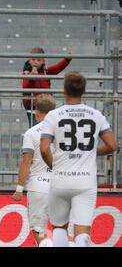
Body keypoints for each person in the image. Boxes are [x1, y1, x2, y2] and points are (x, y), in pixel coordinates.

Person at [40, 71, 118, 247]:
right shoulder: (95, 115)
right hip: (85, 181)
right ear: (83, 90)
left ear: (64, 90)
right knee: (81, 234)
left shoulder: (54, 115)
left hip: (60, 179)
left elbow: (44, 148)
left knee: (59, 227)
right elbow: (113, 145)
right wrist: (92, 151)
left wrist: (54, 165)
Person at [12, 94, 56, 247]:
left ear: (37, 112)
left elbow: (26, 161)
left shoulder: (32, 132)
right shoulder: (63, 132)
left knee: (39, 230)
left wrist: (19, 189)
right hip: (61, 185)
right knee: (61, 228)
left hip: (39, 187)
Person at [22, 47, 72, 127]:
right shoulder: (27, 73)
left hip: (46, 108)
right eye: (33, 59)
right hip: (33, 109)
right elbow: (25, 87)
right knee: (35, 130)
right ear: (29, 60)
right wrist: (32, 77)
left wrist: (66, 60)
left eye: (38, 60)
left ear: (43, 61)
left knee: (48, 129)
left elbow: (57, 68)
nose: (35, 62)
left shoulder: (45, 71)